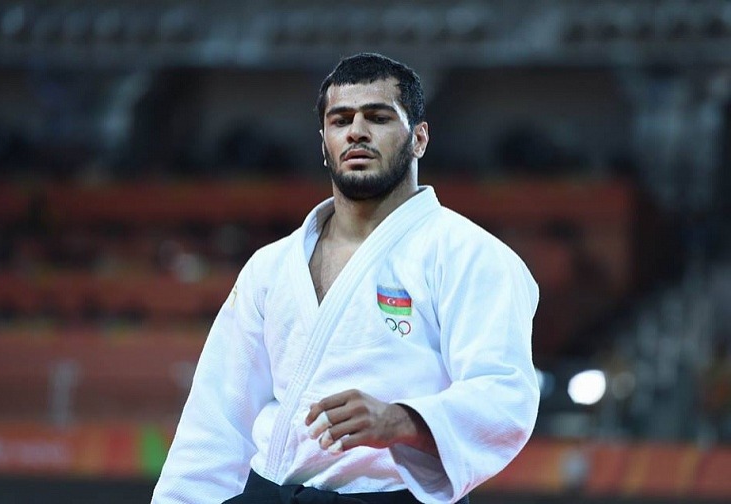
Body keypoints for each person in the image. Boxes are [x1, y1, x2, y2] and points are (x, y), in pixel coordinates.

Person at [152, 52, 540, 504]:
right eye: (341, 120)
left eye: (378, 117)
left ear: (419, 138)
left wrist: (402, 420)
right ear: (324, 144)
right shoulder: (271, 266)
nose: (356, 131)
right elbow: (218, 411)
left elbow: (505, 393)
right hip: (271, 493)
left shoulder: (471, 256)